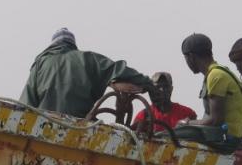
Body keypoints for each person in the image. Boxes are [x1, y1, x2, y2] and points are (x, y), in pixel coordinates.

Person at [20, 28, 151, 118]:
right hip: (81, 128)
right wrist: (148, 83)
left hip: (44, 127)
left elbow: (25, 105)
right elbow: (119, 70)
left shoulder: (41, 64)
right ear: (72, 44)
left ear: (52, 45)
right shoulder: (88, 59)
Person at [177, 33, 242, 150]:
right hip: (221, 135)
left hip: (227, 139)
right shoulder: (216, 72)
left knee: (171, 134)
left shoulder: (215, 75)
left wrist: (188, 123)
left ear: (191, 57)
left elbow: (215, 120)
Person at [132, 72, 197, 131]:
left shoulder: (187, 113)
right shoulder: (143, 115)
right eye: (158, 87)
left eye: (165, 87)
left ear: (171, 89)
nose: (162, 90)